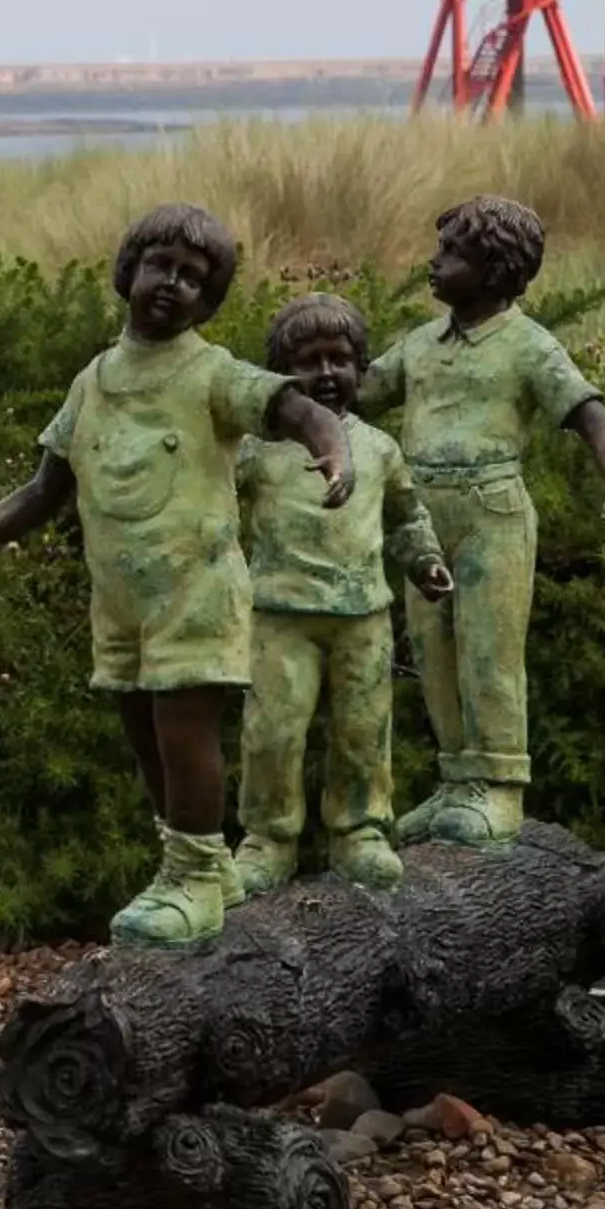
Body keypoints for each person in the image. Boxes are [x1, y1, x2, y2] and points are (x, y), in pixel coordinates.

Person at [0, 203, 351, 949]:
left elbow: (288, 405)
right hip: (122, 604)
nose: (172, 284)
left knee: (185, 733)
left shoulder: (211, 373)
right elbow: (44, 486)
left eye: (194, 279)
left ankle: (190, 877)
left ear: (209, 300)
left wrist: (333, 446)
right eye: (161, 266)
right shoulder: (93, 382)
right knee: (145, 737)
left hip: (196, 593)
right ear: (130, 270)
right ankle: (204, 869)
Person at [355, 195, 605, 849]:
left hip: (493, 516)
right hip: (419, 520)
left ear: (493, 268)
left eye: (452, 252)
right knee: (433, 655)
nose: (435, 261)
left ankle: (500, 788)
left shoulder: (528, 346)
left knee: (489, 653)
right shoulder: (421, 346)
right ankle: (458, 780)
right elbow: (360, 390)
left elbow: (589, 413)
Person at [230, 294, 454, 899]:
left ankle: (359, 831)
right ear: (282, 375)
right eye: (309, 362)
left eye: (341, 360)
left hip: (364, 619)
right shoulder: (257, 452)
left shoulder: (378, 448)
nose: (327, 374)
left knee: (362, 731)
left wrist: (426, 562)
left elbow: (407, 519)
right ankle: (268, 839)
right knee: (273, 732)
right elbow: (214, 516)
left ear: (361, 367)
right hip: (278, 617)